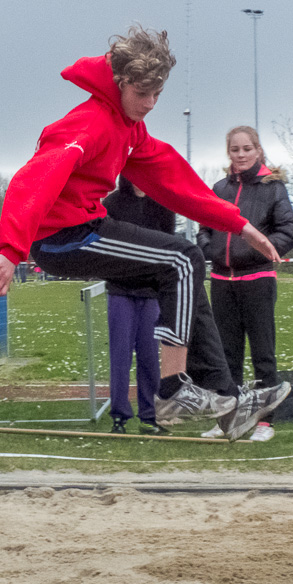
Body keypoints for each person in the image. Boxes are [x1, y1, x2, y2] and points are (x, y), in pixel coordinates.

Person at [0, 26, 291, 441]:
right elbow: (34, 179)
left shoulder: (129, 129)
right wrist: (11, 249)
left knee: (183, 279)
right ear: (120, 82)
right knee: (184, 258)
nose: (148, 105)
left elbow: (174, 179)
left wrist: (240, 224)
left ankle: (226, 400)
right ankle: (172, 389)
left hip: (88, 226)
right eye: (141, 94)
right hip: (63, 237)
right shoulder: (88, 125)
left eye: (156, 95)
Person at [197, 126, 293, 442]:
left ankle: (266, 423)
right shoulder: (218, 188)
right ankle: (228, 420)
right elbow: (204, 228)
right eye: (235, 150)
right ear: (229, 153)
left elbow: (289, 231)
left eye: (247, 149)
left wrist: (260, 249)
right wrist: (209, 249)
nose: (241, 155)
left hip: (257, 281)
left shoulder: (274, 189)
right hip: (221, 282)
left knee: (262, 353)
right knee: (226, 355)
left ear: (258, 151)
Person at [102, 176, 175, 434]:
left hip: (150, 294)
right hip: (120, 291)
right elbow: (104, 246)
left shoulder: (163, 205)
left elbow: (169, 246)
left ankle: (149, 416)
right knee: (120, 357)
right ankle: (119, 417)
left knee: (148, 357)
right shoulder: (111, 204)